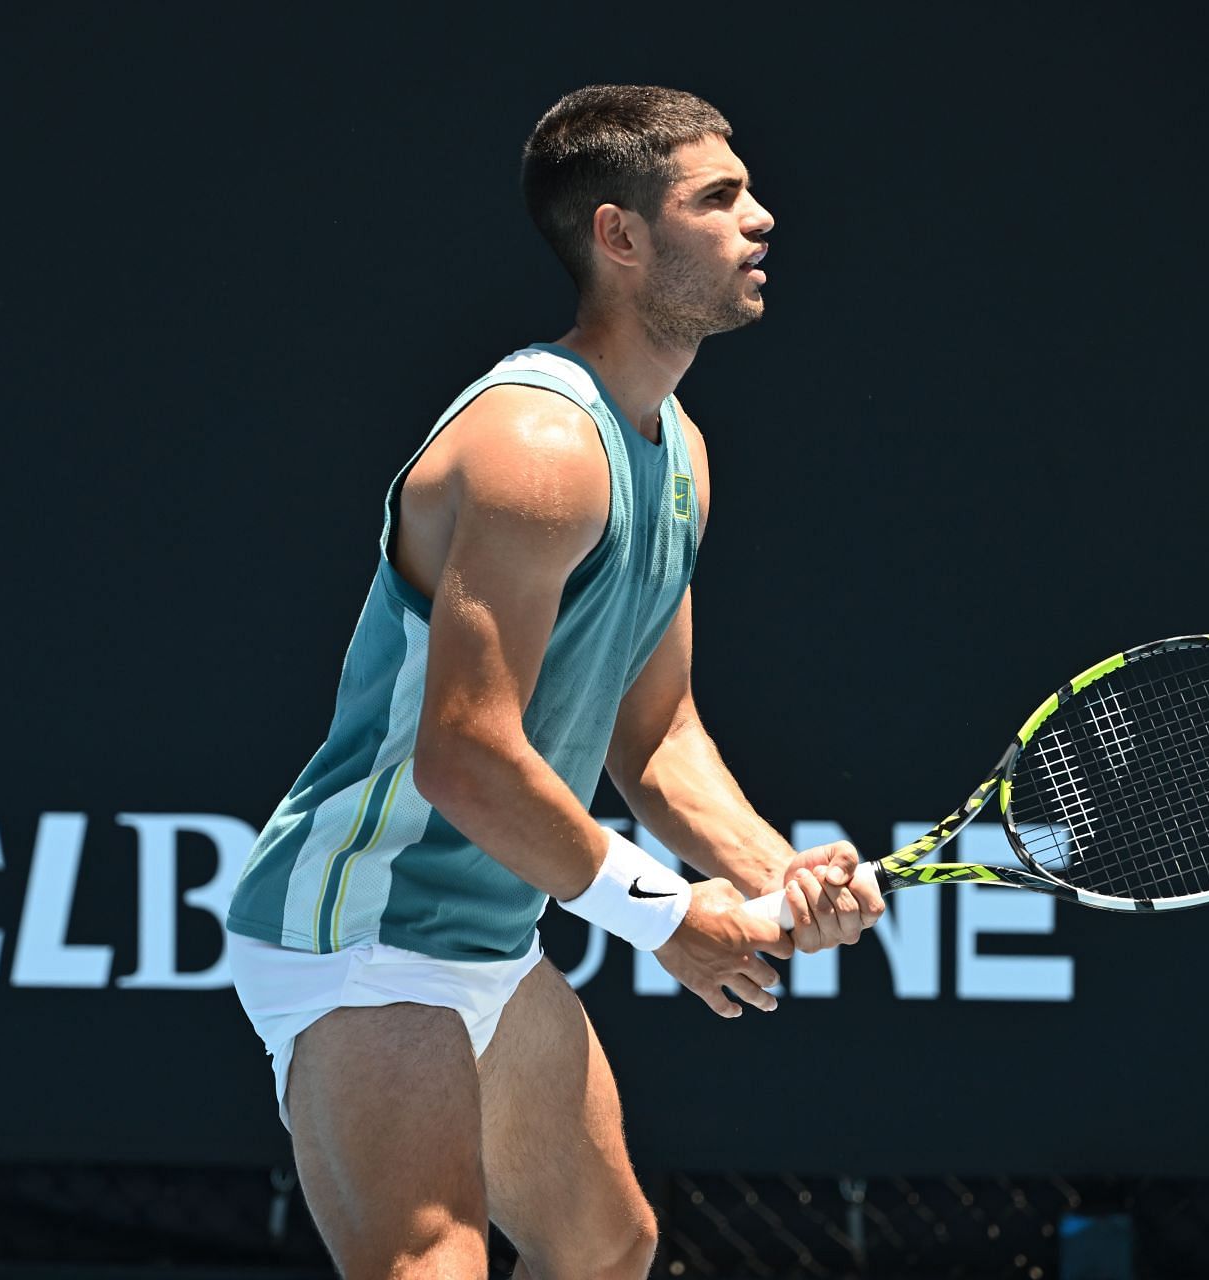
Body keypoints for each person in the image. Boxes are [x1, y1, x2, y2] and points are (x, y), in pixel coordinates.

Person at [223, 84, 886, 1278]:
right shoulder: (537, 447)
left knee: (605, 1245)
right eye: (720, 197)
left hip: (489, 932)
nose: (763, 218)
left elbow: (658, 733)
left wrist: (772, 866)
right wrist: (664, 913)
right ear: (619, 236)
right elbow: (464, 754)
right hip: (363, 928)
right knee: (435, 1264)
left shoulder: (676, 449)